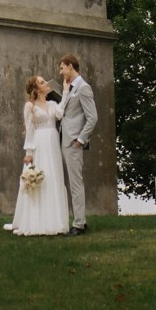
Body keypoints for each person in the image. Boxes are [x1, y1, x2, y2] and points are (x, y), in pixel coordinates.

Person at [9, 75, 70, 236]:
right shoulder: (30, 106)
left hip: (52, 143)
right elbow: (29, 129)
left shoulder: (51, 104)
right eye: (42, 82)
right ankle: (35, 220)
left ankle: (55, 220)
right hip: (39, 143)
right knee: (39, 178)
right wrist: (29, 152)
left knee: (53, 178)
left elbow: (59, 114)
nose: (46, 83)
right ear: (36, 88)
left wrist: (64, 92)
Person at [57, 53, 96, 234]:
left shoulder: (83, 88)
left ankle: (79, 224)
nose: (60, 72)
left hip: (73, 141)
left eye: (62, 68)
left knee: (75, 183)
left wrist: (81, 139)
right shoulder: (70, 87)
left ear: (71, 66)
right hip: (64, 139)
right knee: (70, 182)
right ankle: (78, 220)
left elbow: (92, 117)